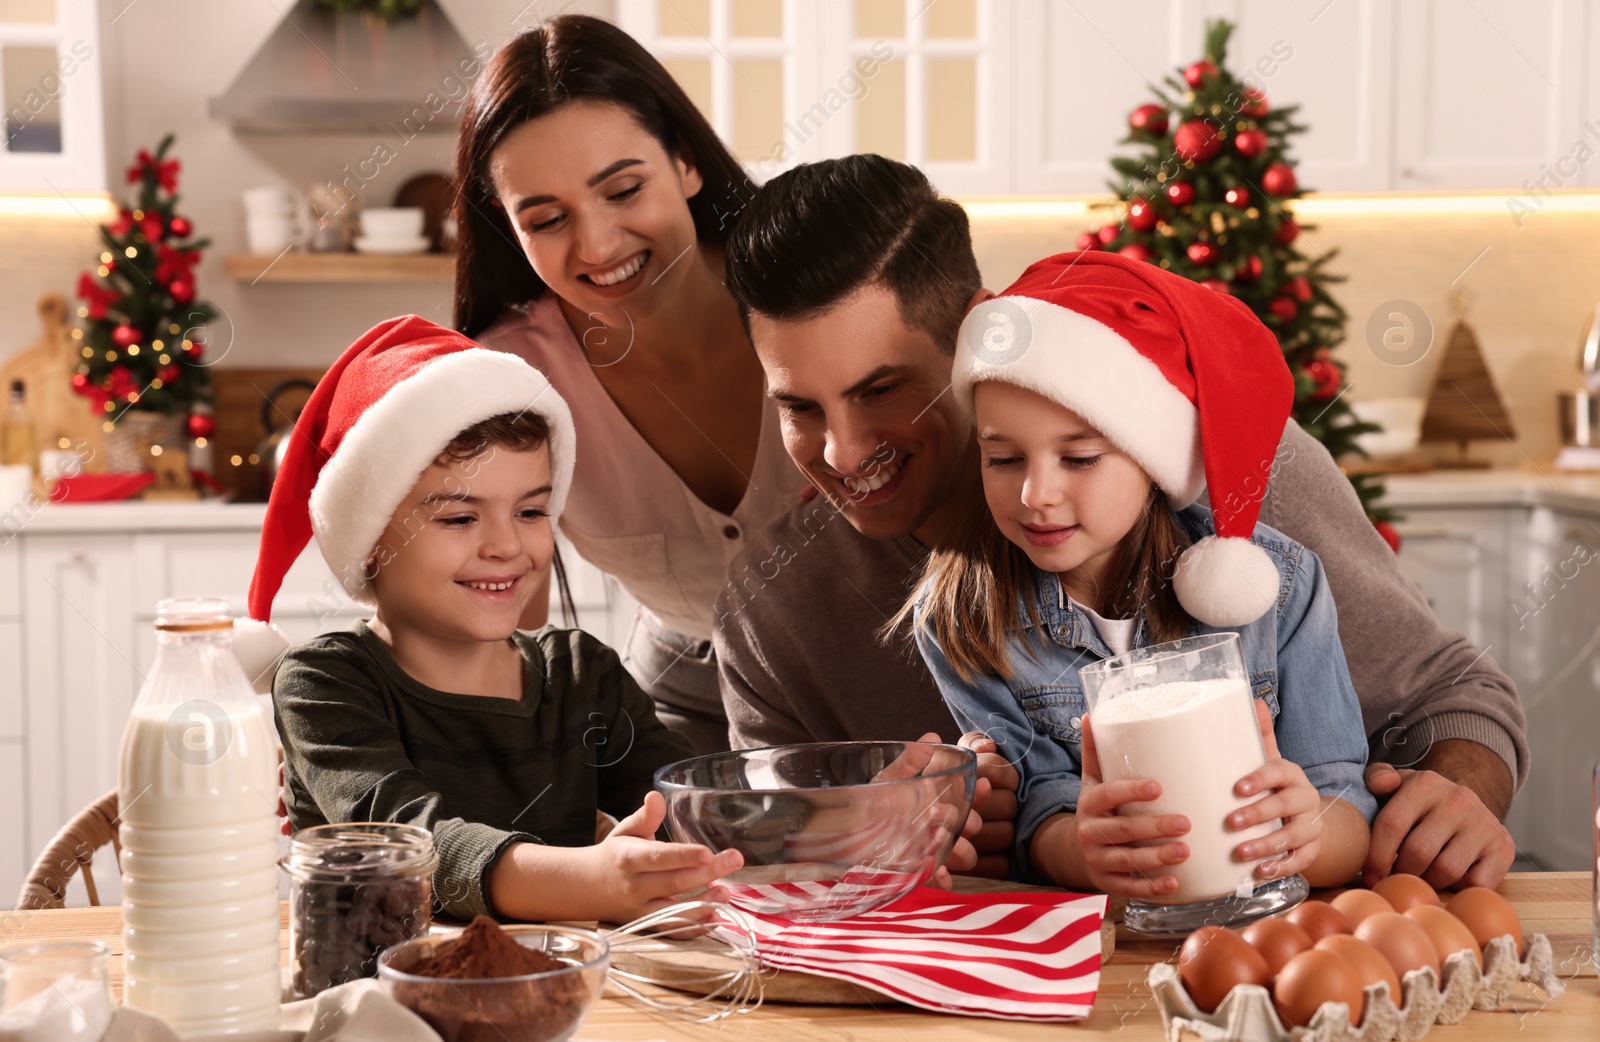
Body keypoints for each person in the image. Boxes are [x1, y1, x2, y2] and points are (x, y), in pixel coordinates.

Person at [716, 153, 1526, 890]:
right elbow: (769, 863)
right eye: (798, 406)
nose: (844, 450)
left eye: (879, 390)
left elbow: (1454, 693)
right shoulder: (773, 609)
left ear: (980, 331)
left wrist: (1453, 793)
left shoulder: (1223, 469)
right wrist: (895, 833)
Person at [904, 251, 1375, 893]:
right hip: (1108, 949)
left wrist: (1312, 833)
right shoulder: (965, 615)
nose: (1035, 494)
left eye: (1080, 458)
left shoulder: (1280, 588)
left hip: (1259, 930)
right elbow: (1029, 813)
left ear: (1153, 456)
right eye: (1004, 458)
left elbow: (1343, 799)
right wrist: (1079, 849)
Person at [249, 316, 740, 923]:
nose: (507, 546)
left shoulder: (581, 675)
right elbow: (411, 845)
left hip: (571, 994)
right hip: (373, 996)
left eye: (532, 511)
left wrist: (826, 811)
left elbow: (684, 809)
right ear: (372, 540)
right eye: (460, 518)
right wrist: (590, 880)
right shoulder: (325, 684)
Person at [452, 14, 802, 756]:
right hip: (676, 713)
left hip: (895, 682)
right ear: (508, 227)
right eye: (546, 218)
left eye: (623, 189)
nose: (599, 245)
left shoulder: (816, 291)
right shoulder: (512, 379)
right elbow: (502, 619)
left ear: (684, 161)